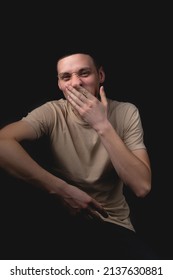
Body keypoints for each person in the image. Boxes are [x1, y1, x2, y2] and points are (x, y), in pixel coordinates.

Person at [0, 50, 158, 260]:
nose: (75, 83)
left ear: (100, 75)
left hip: (112, 222)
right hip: (61, 221)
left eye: (84, 73)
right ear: (59, 84)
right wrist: (62, 190)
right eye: (66, 77)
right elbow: (2, 142)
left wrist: (102, 125)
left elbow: (142, 186)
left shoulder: (126, 112)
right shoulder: (53, 112)